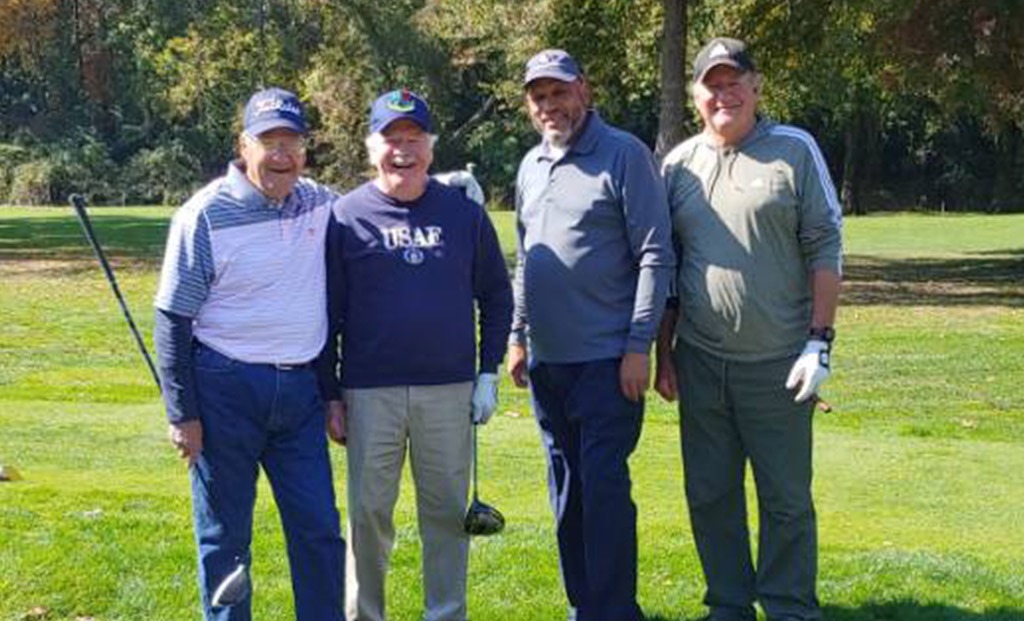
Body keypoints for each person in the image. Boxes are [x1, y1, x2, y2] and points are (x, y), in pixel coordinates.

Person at [655, 37, 843, 621]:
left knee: (785, 500)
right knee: (711, 497)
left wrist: (820, 341)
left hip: (780, 362)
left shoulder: (793, 149)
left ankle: (789, 607)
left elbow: (825, 245)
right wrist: (664, 354)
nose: (723, 93)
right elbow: (667, 268)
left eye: (734, 81)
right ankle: (729, 605)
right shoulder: (677, 165)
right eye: (711, 83)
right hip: (701, 361)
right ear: (694, 93)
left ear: (757, 86)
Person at [317, 89, 513, 621]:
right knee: (368, 513)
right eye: (390, 139)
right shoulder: (344, 217)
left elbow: (496, 295)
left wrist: (488, 372)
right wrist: (330, 393)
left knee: (446, 515)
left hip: (447, 390)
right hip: (368, 390)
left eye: (413, 139)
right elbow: (326, 313)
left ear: (430, 147)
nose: (402, 150)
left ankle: (445, 613)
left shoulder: (464, 214)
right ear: (370, 147)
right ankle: (366, 614)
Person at [154, 87, 345, 621]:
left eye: (292, 141)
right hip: (224, 393)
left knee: (318, 530)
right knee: (225, 539)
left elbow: (381, 207)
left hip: (301, 394)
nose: (281, 154)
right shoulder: (205, 214)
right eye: (269, 141)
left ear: (305, 149)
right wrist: (182, 413)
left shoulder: (321, 203)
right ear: (244, 144)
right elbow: (173, 318)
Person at [506, 50, 675, 621]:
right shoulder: (531, 165)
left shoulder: (623, 154)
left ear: (584, 89)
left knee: (603, 492)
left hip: (608, 360)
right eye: (539, 97)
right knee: (566, 493)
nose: (550, 106)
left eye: (559, 92)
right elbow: (527, 259)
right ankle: (586, 606)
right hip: (549, 365)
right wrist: (518, 334)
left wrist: (638, 345)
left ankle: (614, 610)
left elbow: (656, 254)